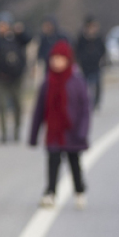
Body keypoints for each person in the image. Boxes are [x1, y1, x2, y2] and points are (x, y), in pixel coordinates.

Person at [29, 40, 91, 211]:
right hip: (54, 132)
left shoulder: (77, 81)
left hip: (73, 131)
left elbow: (85, 109)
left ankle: (79, 191)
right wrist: (33, 135)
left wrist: (83, 131)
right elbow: (39, 111)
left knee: (74, 163)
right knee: (53, 162)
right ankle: (50, 192)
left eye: (60, 58)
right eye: (54, 58)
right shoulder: (47, 82)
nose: (56, 62)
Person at [0, 13, 26, 143]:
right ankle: (3, 133)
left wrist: (20, 32)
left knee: (17, 104)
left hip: (16, 77)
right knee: (1, 105)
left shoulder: (15, 37)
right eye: (0, 25)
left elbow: (27, 40)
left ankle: (17, 130)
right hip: (1, 78)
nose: (1, 28)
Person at [74, 16, 107, 110]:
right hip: (85, 65)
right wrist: (80, 60)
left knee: (97, 84)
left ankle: (96, 102)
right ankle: (85, 102)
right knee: (84, 85)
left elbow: (103, 50)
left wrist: (102, 59)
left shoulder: (99, 37)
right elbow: (77, 50)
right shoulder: (81, 38)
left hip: (96, 64)